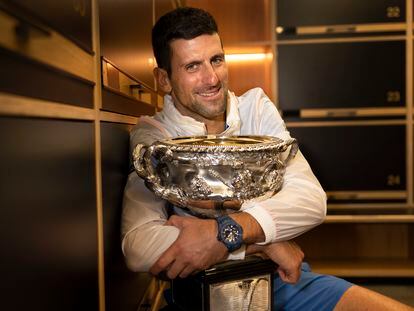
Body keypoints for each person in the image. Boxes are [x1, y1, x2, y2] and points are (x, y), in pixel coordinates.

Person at [121, 7, 413, 311]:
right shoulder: (153, 137)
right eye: (193, 66)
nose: (211, 78)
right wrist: (266, 243)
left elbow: (311, 201)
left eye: (216, 60)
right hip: (201, 296)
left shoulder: (256, 108)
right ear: (164, 79)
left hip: (282, 284)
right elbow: (138, 247)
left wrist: (223, 235)